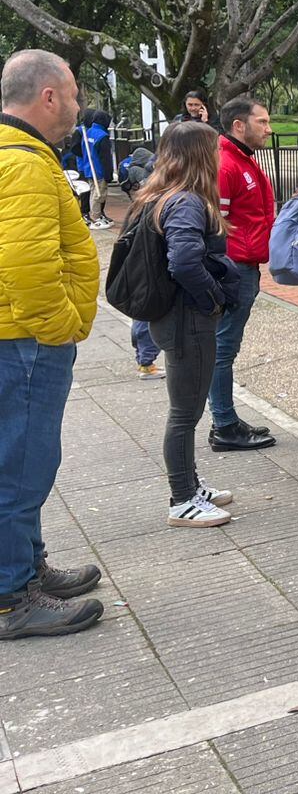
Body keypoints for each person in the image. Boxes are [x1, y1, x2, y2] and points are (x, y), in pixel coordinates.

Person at [0, 50, 104, 638]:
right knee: (21, 466)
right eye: (72, 93)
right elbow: (26, 262)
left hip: (17, 337)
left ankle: (25, 568)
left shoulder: (17, 155)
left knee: (22, 462)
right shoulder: (26, 164)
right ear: (47, 97)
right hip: (25, 340)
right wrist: (60, 325)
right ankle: (12, 597)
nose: (76, 105)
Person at [131, 121, 243, 528]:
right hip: (186, 320)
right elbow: (183, 261)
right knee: (185, 412)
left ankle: (190, 486)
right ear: (200, 154)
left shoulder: (160, 195)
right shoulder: (188, 202)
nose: (219, 157)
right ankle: (182, 499)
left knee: (186, 409)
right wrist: (213, 298)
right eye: (214, 149)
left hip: (173, 318)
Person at [208, 95, 277, 451]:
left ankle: (225, 418)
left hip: (243, 264)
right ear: (239, 125)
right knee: (222, 348)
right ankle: (223, 423)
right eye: (262, 122)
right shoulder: (228, 164)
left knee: (224, 347)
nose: (269, 129)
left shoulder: (241, 159)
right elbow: (214, 223)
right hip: (234, 267)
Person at [77, 110, 114, 229]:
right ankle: (96, 217)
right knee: (98, 194)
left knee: (93, 192)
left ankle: (95, 216)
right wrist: (108, 174)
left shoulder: (87, 133)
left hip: (89, 168)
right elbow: (105, 158)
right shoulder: (102, 136)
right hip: (99, 170)